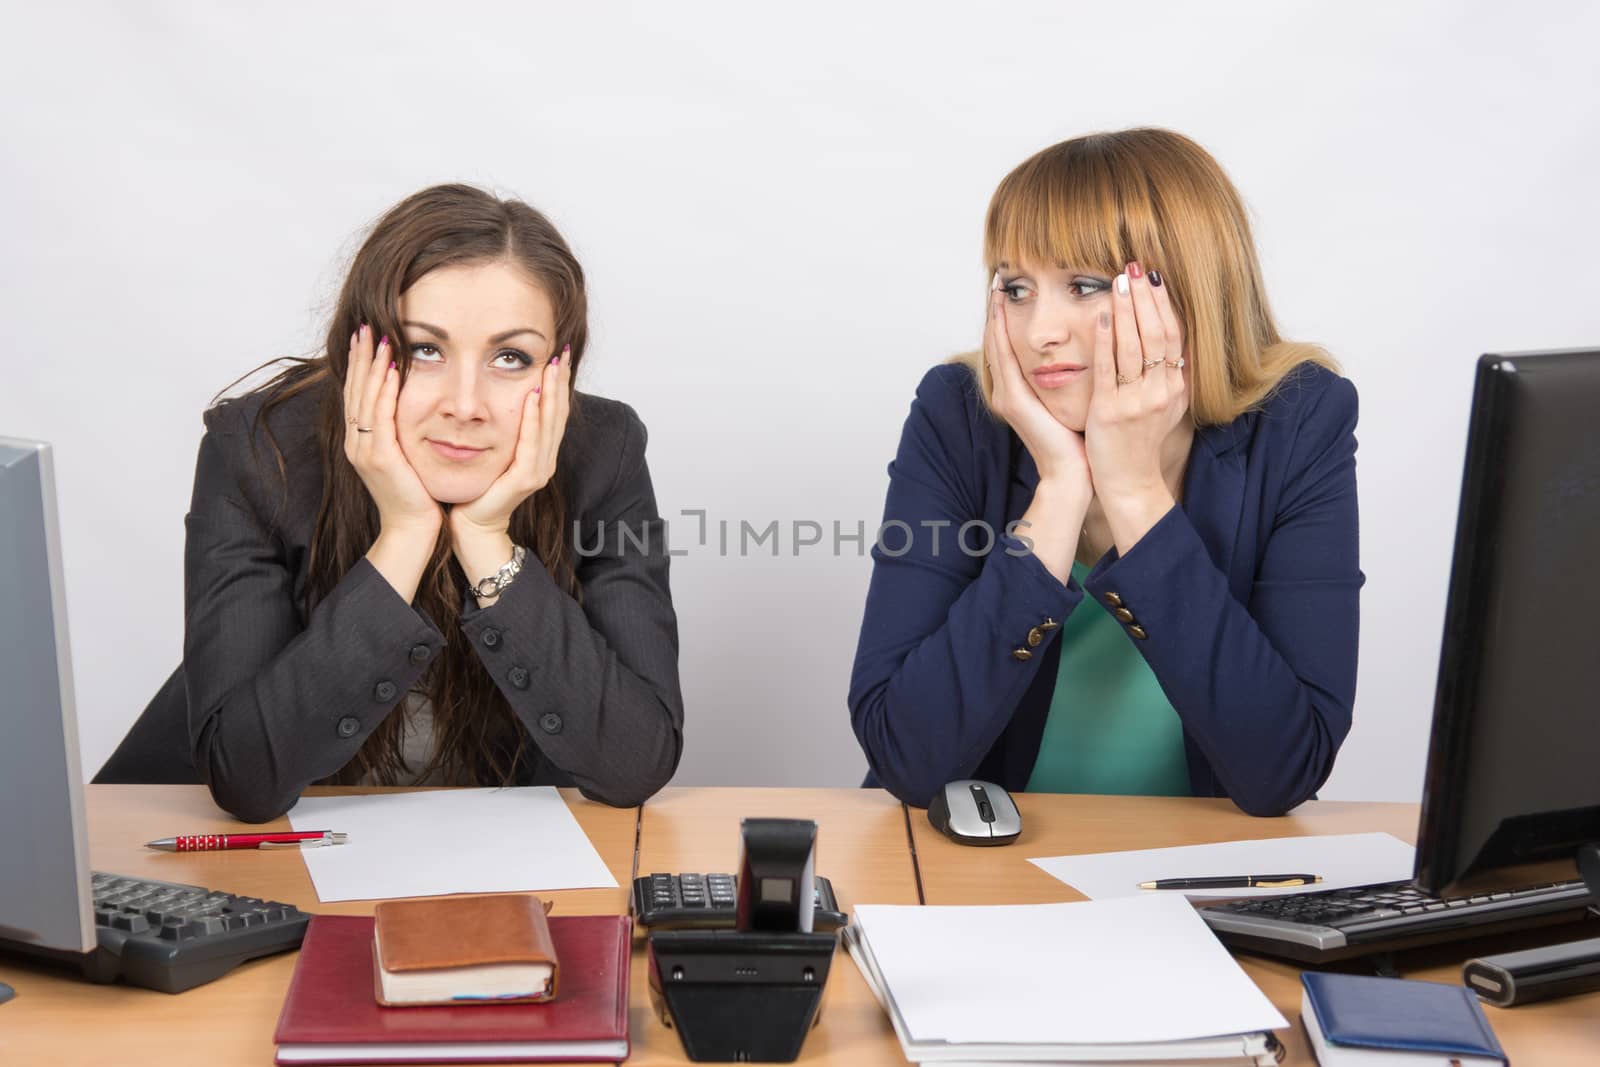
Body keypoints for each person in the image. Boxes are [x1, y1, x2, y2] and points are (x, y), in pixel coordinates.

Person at [848, 129, 1361, 817]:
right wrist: (1060, 488)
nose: (1038, 333)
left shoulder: (1300, 421)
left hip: (1204, 874)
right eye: (1017, 288)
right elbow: (907, 757)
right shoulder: (958, 415)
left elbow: (1283, 769)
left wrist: (1134, 491)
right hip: (987, 878)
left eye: (1084, 285)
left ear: (1187, 290)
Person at [130, 184, 683, 822]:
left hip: (486, 869)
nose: (465, 403)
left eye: (511, 357)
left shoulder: (601, 453)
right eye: (425, 349)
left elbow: (634, 763)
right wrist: (405, 535)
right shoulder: (258, 452)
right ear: (359, 353)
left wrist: (485, 537)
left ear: (557, 372)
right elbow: (247, 780)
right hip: (241, 871)